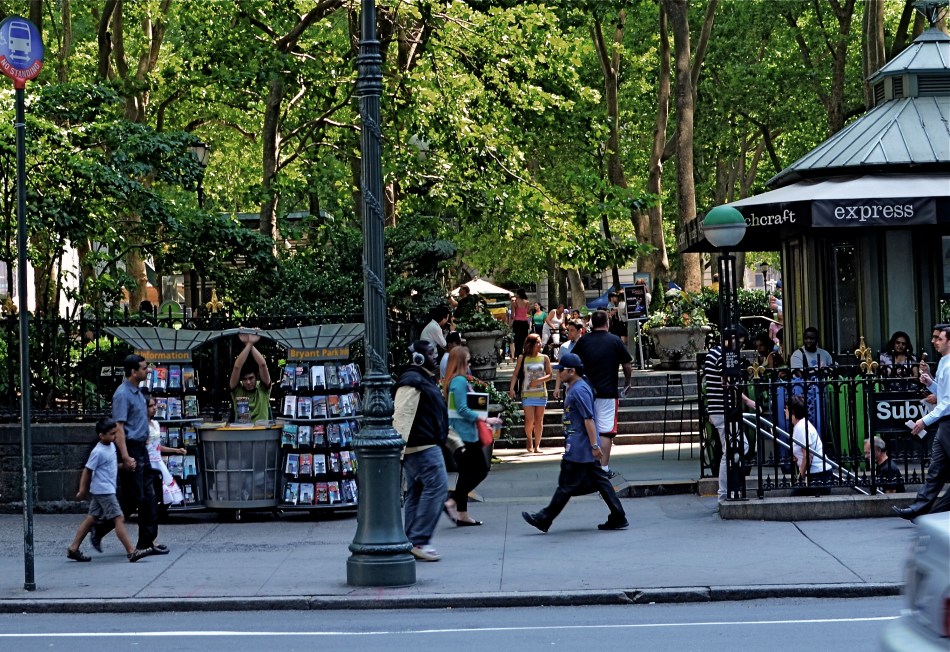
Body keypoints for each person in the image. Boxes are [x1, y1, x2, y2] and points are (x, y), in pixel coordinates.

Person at [521, 353, 628, 533]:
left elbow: (589, 419)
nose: (559, 373)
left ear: (571, 371)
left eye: (561, 370)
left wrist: (595, 446)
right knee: (600, 481)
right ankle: (619, 515)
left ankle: (544, 518)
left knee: (567, 485)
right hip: (578, 442)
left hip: (579, 445)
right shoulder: (574, 387)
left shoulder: (580, 390)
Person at [90, 355, 166, 557]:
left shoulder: (138, 392)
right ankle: (102, 527)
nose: (147, 371)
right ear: (133, 372)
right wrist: (125, 456)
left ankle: (146, 541)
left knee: (146, 497)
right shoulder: (122, 394)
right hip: (132, 449)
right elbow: (120, 428)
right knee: (137, 498)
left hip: (142, 448)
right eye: (143, 368)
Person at [393, 340, 449, 561]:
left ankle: (411, 540)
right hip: (422, 448)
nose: (434, 357)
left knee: (415, 492)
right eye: (430, 353)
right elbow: (402, 416)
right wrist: (398, 451)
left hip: (420, 446)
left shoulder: (421, 379)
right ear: (418, 357)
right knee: (438, 486)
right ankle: (419, 539)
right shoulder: (412, 381)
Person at [66, 419, 150, 563]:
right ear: (101, 435)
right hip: (104, 490)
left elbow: (109, 465)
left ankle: (73, 548)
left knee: (91, 518)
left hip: (104, 489)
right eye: (112, 434)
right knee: (119, 518)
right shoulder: (97, 452)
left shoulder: (110, 446)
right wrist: (82, 489)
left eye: (116, 433)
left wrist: (124, 466)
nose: (115, 436)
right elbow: (87, 470)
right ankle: (131, 551)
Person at [894, 324, 950, 519]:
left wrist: (924, 421)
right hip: (945, 424)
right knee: (936, 470)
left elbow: (948, 403)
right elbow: (943, 395)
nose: (934, 342)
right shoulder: (944, 362)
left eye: (939, 339)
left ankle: (932, 513)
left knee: (937, 470)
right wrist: (930, 384)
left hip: (948, 422)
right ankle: (920, 509)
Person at [442, 346, 501, 527]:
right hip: (465, 435)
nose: (470, 365)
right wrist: (486, 418)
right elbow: (462, 409)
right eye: (467, 361)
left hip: (463, 433)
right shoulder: (459, 381)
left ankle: (462, 514)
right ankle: (452, 501)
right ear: (461, 363)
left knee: (466, 473)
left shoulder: (455, 381)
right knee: (480, 470)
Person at [570, 310, 633, 476]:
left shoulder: (583, 341)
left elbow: (573, 363)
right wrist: (628, 382)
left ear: (591, 323)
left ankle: (587, 467)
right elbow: (627, 364)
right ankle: (603, 468)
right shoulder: (615, 341)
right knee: (606, 431)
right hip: (608, 393)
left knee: (587, 428)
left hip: (586, 393)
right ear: (607, 323)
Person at [704, 325, 757, 501]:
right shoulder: (722, 355)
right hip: (722, 409)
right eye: (740, 343)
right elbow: (727, 382)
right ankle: (725, 492)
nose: (740, 348)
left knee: (734, 448)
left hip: (718, 409)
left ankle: (729, 489)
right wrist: (748, 401)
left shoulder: (715, 352)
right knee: (734, 449)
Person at [508, 333, 552, 454]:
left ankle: (537, 445)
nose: (540, 344)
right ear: (530, 344)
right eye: (537, 342)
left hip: (541, 393)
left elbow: (550, 375)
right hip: (527, 393)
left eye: (539, 342)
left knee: (539, 420)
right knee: (529, 420)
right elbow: (516, 374)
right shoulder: (523, 358)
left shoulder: (544, 358)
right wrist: (511, 388)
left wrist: (539, 380)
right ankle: (529, 439)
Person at [789, 326, 834, 438]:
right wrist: (816, 371)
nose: (809, 341)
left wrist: (826, 370)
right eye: (806, 338)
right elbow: (798, 374)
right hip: (805, 395)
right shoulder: (797, 354)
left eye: (812, 338)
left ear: (817, 340)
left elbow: (832, 370)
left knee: (823, 419)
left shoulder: (825, 354)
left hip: (822, 393)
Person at [144, 392, 186, 510]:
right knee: (157, 490)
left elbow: (158, 446)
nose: (154, 408)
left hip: (158, 461)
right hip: (149, 461)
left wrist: (176, 450)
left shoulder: (155, 424)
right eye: (151, 406)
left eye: (154, 405)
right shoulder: (142, 426)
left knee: (165, 491)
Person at [787, 395, 832, 496]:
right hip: (818, 473)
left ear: (792, 411)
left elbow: (808, 455)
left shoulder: (801, 427)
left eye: (786, 408)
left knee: (793, 500)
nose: (784, 411)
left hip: (818, 475)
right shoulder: (801, 425)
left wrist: (800, 478)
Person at [228, 331, 273, 423]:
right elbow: (237, 367)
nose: (248, 382)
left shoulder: (263, 389)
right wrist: (249, 344)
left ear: (256, 376)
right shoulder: (237, 390)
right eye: (244, 379)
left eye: (251, 378)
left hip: (261, 432)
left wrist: (248, 344)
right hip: (242, 432)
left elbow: (262, 365)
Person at [553, 320, 585, 399]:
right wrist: (557, 387)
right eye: (568, 330)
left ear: (579, 331)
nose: (569, 333)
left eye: (572, 330)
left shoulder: (587, 345)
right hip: (568, 386)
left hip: (583, 384)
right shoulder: (564, 347)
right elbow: (560, 368)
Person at [510, 289, 531, 359]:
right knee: (524, 338)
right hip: (524, 322)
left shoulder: (514, 303)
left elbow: (512, 315)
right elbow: (527, 312)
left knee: (517, 339)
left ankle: (518, 354)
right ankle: (525, 353)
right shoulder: (527, 302)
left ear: (518, 294)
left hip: (517, 322)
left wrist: (510, 323)